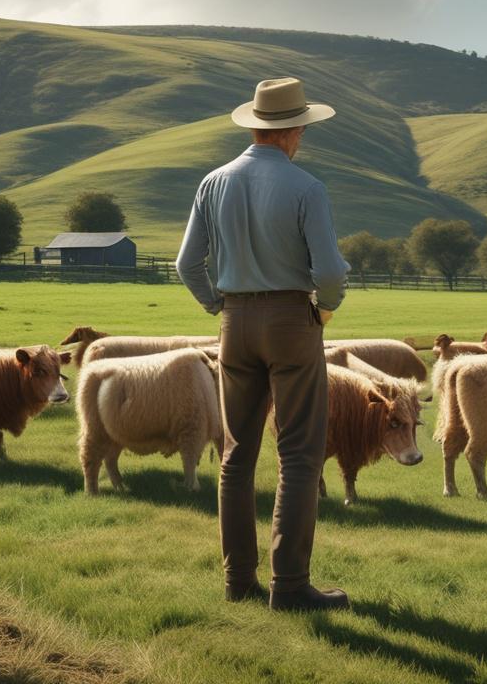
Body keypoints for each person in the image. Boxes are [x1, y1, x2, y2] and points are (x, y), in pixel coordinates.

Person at [175, 77, 350, 611]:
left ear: (254, 125)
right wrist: (324, 308)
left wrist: (217, 306)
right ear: (294, 130)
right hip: (292, 321)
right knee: (298, 454)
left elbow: (187, 264)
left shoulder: (212, 182)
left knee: (235, 455)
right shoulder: (306, 188)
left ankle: (238, 582)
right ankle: (290, 587)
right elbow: (329, 273)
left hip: (234, 322)